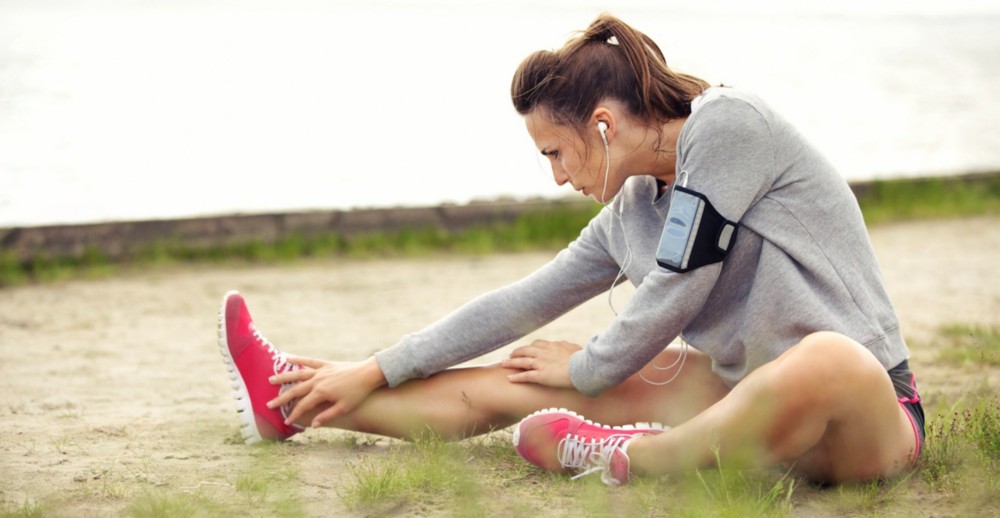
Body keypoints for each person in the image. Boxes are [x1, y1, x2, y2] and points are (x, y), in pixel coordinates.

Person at [217, 13, 924, 487]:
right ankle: (291, 405)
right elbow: (520, 302)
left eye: (557, 152)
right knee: (528, 372)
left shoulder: (730, 127)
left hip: (866, 416)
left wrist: (586, 369)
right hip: (741, 398)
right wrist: (372, 367)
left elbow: (679, 284)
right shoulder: (633, 211)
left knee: (828, 356)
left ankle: (629, 458)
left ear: (605, 125)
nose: (558, 176)